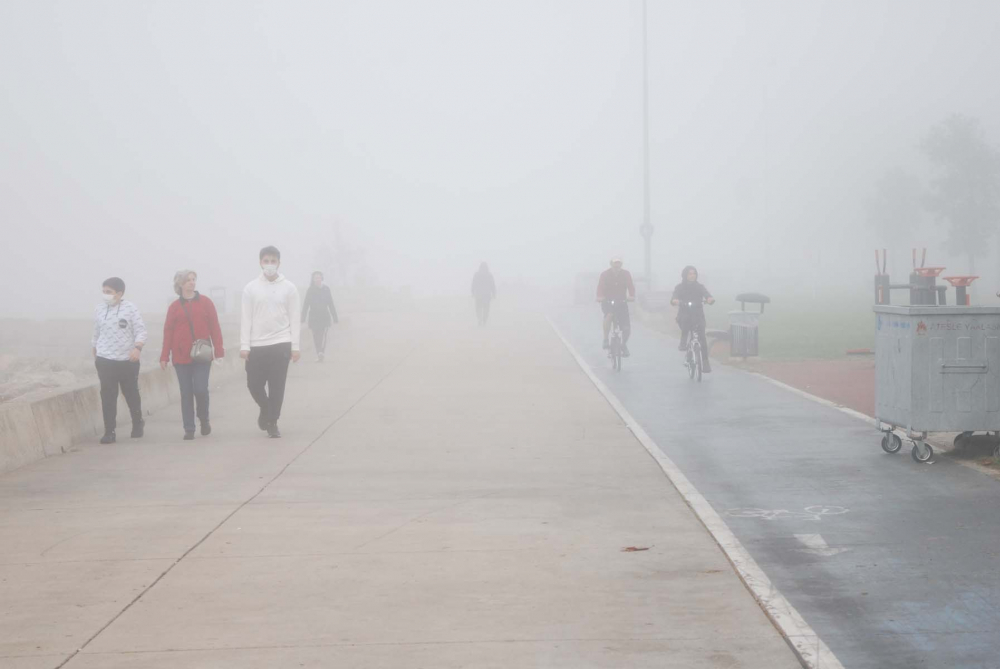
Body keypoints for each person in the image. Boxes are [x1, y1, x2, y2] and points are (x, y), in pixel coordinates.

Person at [240, 246, 301, 438]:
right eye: (266, 261)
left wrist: (295, 347)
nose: (269, 265)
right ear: (260, 262)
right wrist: (244, 345)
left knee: (277, 385)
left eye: (273, 261)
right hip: (257, 344)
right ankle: (265, 408)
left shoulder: (289, 288)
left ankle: (273, 421)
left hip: (281, 342)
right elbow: (246, 318)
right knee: (254, 384)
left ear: (279, 263)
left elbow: (294, 317)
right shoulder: (250, 288)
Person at [160, 270, 225, 440]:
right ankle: (189, 428)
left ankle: (204, 419)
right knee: (186, 392)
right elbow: (168, 332)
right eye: (188, 280)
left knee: (200, 389)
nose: (192, 282)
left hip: (202, 354)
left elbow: (215, 327)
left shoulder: (206, 302)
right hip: (181, 357)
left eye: (193, 279)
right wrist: (164, 356)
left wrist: (219, 351)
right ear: (180, 284)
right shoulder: (174, 307)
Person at [92, 277, 147, 444]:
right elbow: (96, 332)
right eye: (104, 291)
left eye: (109, 292)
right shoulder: (100, 309)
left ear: (119, 293)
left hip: (127, 360)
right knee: (108, 396)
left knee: (130, 393)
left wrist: (137, 348)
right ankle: (110, 431)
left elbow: (141, 331)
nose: (105, 295)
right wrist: (95, 348)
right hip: (105, 359)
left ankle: (137, 422)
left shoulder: (130, 309)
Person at [671, 265, 716, 372]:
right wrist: (675, 301)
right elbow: (674, 297)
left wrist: (710, 299)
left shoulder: (700, 287)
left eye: (694, 273)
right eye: (690, 274)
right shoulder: (679, 287)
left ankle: (705, 362)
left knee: (702, 338)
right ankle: (683, 342)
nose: (692, 276)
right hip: (684, 314)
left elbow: (707, 294)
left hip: (698, 315)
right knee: (686, 322)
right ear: (685, 275)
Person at [596, 256, 635, 356]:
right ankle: (605, 339)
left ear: (621, 264)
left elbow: (630, 286)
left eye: (619, 263)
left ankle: (623, 345)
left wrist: (631, 296)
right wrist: (600, 297)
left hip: (622, 302)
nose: (617, 265)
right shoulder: (605, 274)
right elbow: (600, 287)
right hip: (608, 302)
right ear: (611, 264)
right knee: (609, 315)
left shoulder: (626, 274)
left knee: (626, 328)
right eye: (615, 263)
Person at [301, 271, 339, 361]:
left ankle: (321, 352)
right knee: (316, 336)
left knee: (323, 335)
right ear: (313, 279)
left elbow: (331, 303)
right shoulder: (310, 290)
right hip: (314, 317)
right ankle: (319, 353)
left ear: (322, 278)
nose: (317, 279)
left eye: (319, 277)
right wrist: (303, 317)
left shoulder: (326, 289)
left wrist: (335, 317)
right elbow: (306, 304)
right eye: (315, 277)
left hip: (325, 316)